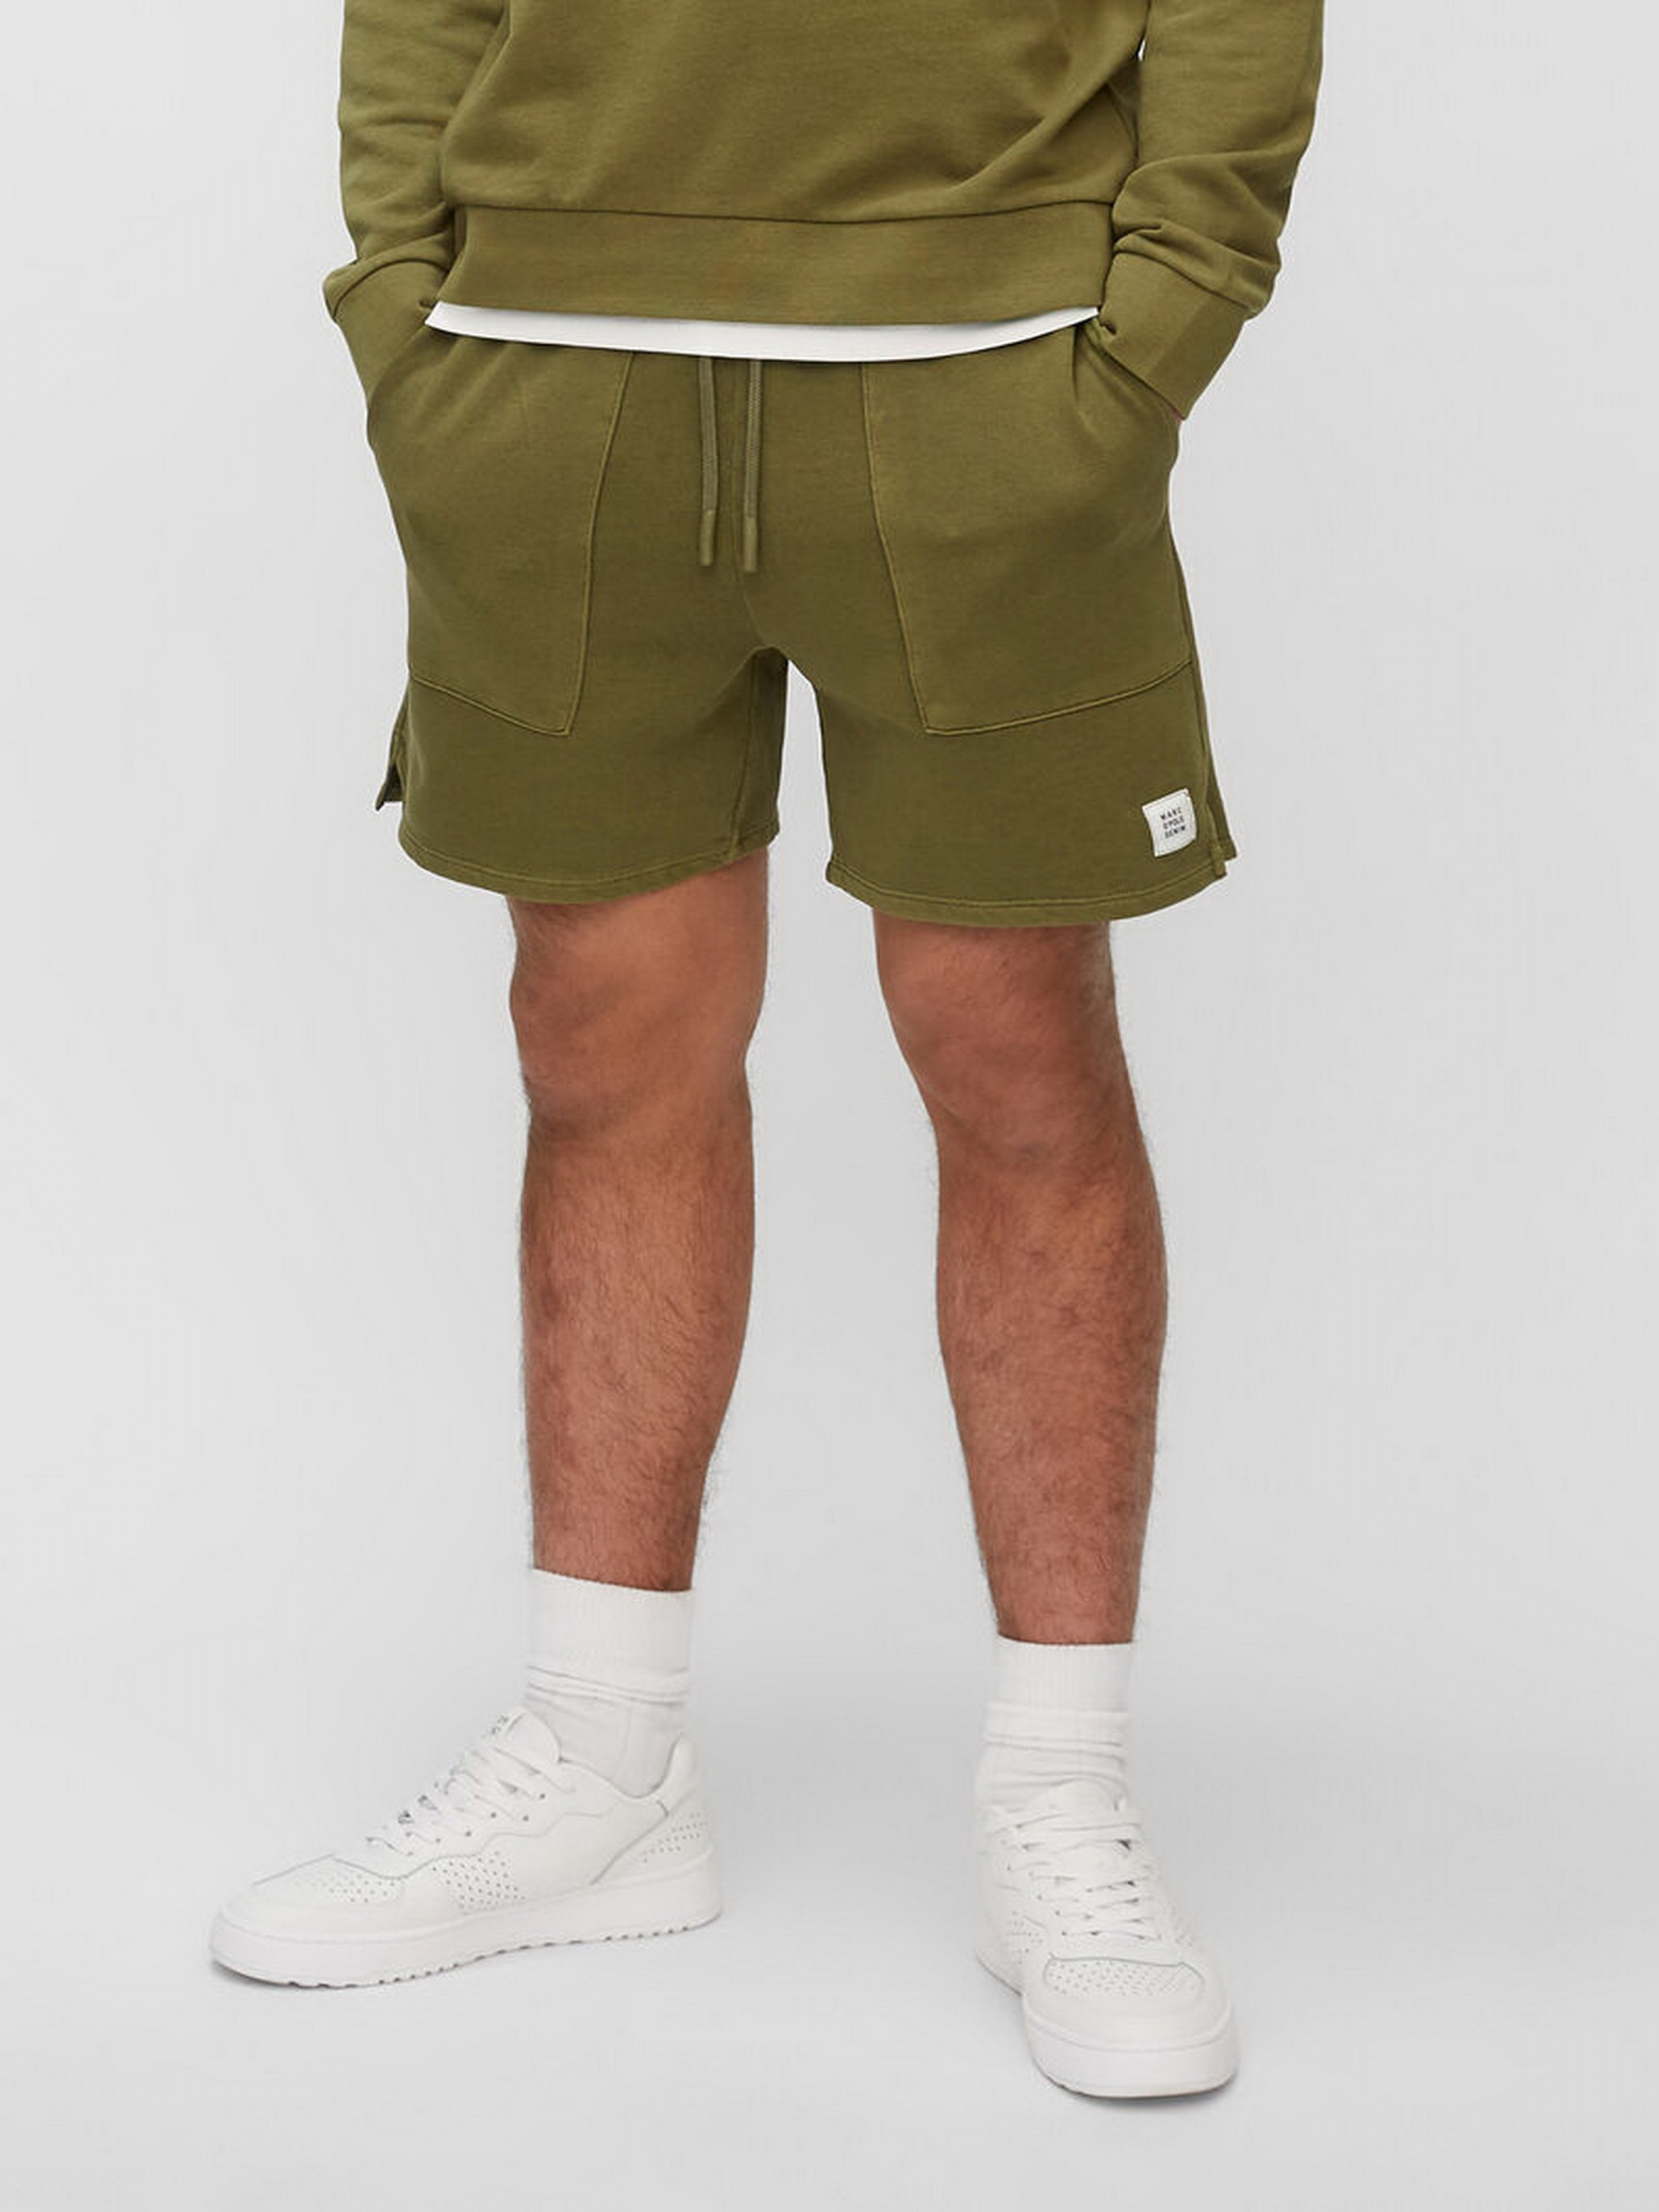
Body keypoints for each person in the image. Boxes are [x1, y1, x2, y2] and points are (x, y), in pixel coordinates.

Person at [210, 0, 1324, 2098]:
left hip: (986, 367)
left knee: (1011, 1040)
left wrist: (1148, 334)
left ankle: (1056, 1788)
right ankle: (602, 1753)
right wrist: (407, 311)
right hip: (547, 364)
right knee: (597, 1035)